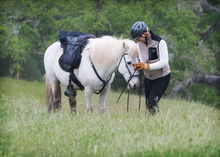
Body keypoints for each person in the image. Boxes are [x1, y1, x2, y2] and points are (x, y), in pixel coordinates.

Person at [131, 21, 171, 115]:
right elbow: (142, 58)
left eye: (138, 38)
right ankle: (158, 122)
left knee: (152, 103)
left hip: (162, 77)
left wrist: (147, 66)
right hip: (148, 77)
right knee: (149, 104)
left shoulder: (160, 42)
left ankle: (154, 122)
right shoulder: (140, 43)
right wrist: (139, 65)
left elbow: (164, 62)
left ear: (145, 34)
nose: (137, 41)